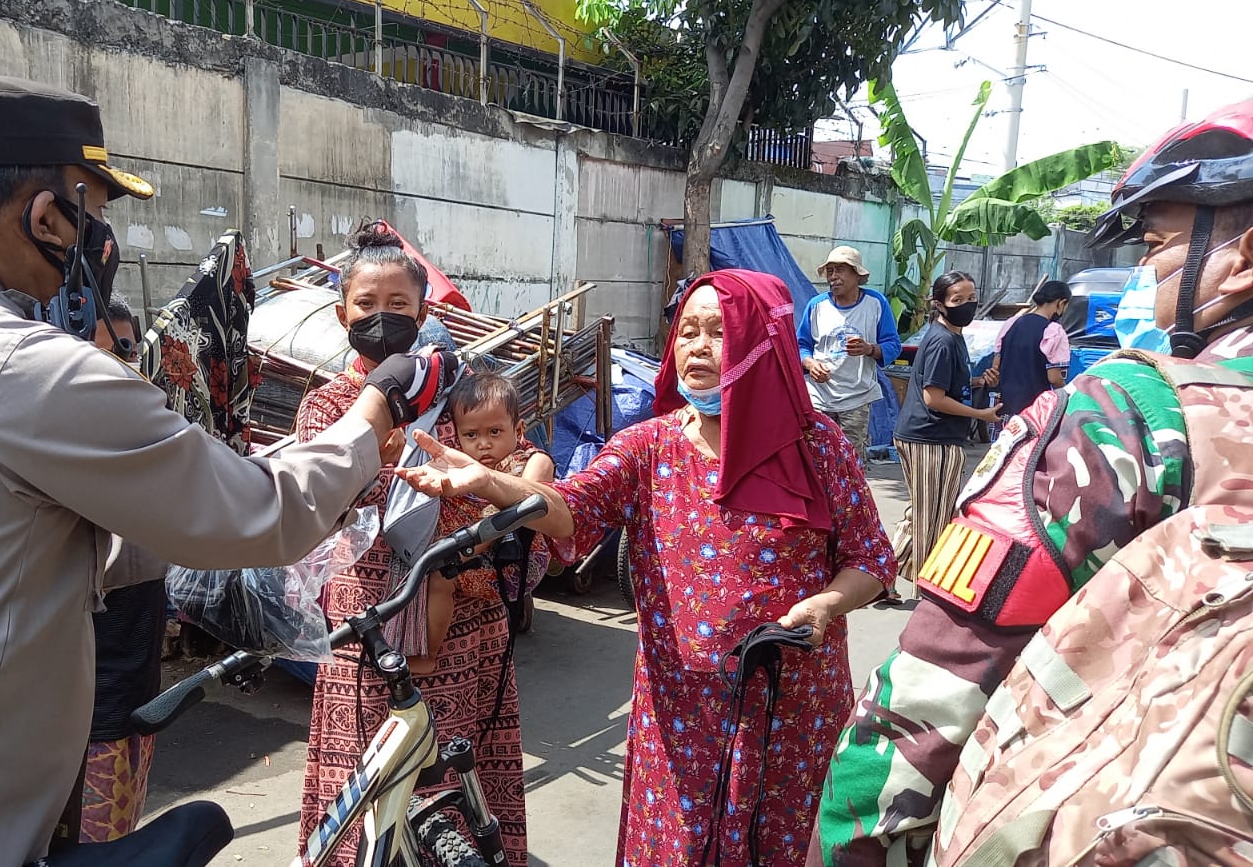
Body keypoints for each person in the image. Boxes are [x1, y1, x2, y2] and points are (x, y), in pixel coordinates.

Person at [0, 76, 454, 867]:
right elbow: (262, 514)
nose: (95, 235)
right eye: (89, 209)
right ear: (44, 214)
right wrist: (380, 406)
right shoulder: (22, 370)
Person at [813, 99, 1253, 866]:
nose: (1146, 273)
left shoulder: (1131, 410)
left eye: (1158, 244)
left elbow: (936, 680)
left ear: (1244, 258)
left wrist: (853, 840)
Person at [399, 270, 898, 866]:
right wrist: (490, 481)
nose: (697, 346)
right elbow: (570, 509)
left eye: (719, 331)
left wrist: (826, 604)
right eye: (687, 332)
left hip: (793, 713)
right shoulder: (649, 447)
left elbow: (871, 560)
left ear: (762, 339)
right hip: (682, 716)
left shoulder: (819, 446)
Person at [295, 225, 532, 865]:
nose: (381, 318)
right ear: (341, 311)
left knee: (456, 787)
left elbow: (520, 455)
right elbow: (334, 504)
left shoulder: (456, 392)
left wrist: (492, 482)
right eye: (366, 305)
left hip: (467, 631)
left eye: (398, 305)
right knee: (367, 774)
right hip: (367, 623)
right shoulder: (328, 409)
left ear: (424, 312)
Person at [72, 298, 170, 844]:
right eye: (95, 349)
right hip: (85, 683)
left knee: (122, 822)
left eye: (125, 350)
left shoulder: (151, 433)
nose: (113, 361)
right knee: (86, 835)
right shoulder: (53, 443)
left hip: (138, 670)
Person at [423, 371, 553, 667]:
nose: (483, 444)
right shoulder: (457, 464)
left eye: (494, 432)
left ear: (518, 430)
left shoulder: (533, 461)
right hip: (472, 553)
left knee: (440, 578)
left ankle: (430, 655)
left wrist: (462, 551)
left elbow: (521, 509)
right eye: (471, 435)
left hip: (513, 562)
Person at [888, 272, 1000, 592]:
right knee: (931, 522)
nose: (967, 305)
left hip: (935, 437)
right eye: (957, 300)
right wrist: (980, 414)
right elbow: (933, 398)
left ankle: (879, 576)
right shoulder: (941, 340)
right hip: (930, 438)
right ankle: (927, 594)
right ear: (939, 305)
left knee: (922, 515)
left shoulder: (954, 336)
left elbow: (946, 386)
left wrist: (978, 383)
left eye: (971, 297)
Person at [797, 245, 902, 458]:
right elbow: (801, 345)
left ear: (857, 275)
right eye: (830, 271)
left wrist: (869, 349)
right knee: (816, 457)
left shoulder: (876, 304)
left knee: (851, 460)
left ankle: (850, 493)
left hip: (857, 397)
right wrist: (810, 364)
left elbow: (893, 345)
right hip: (819, 396)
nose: (833, 277)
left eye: (840, 270)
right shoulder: (816, 306)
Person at [990, 280, 1072, 418]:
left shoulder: (1011, 323)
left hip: (1004, 407)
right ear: (1061, 303)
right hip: (1035, 411)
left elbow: (995, 366)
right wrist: (1066, 398)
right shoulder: (1054, 331)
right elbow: (1054, 378)